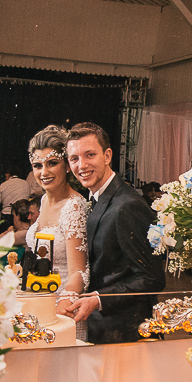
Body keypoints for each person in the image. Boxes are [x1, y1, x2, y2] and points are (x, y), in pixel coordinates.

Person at [61, 122, 165, 343]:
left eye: (90, 155)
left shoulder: (128, 205)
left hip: (127, 333)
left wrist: (98, 299)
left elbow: (152, 278)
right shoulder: (96, 198)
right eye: (74, 159)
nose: (82, 165)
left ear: (107, 156)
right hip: (104, 329)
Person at [23, 125, 89, 341]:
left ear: (68, 166)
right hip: (38, 303)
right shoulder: (43, 200)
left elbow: (79, 272)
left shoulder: (74, 207)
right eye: (38, 165)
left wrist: (61, 308)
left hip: (64, 312)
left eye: (52, 163)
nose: (44, 172)